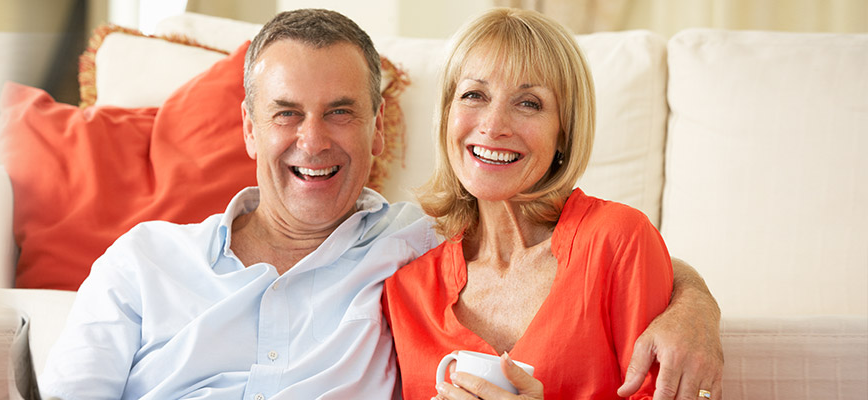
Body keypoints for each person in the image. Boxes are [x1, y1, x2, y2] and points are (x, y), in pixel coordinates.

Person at [40, 8, 720, 400]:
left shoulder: (408, 249)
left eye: (341, 112)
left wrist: (691, 302)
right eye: (285, 114)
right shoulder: (142, 261)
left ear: (378, 130)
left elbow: (583, 253)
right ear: (248, 127)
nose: (313, 140)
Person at [383, 8, 721, 400]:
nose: (493, 125)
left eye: (529, 103)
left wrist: (697, 298)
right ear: (446, 117)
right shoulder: (407, 289)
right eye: (474, 95)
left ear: (564, 132)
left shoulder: (617, 240)